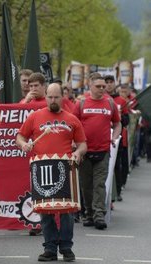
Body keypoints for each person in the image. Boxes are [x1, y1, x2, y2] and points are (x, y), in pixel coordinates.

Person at [16, 83, 87, 262]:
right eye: (50, 97)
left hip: (65, 169)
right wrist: (24, 144)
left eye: (56, 97)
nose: (53, 100)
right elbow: (20, 136)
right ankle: (49, 248)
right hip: (42, 169)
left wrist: (78, 153)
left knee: (67, 212)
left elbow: (82, 143)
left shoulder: (71, 119)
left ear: (62, 97)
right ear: (45, 96)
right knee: (45, 211)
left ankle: (66, 247)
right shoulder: (35, 117)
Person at [72, 73, 121, 230]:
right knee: (86, 185)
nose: (102, 89)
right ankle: (89, 214)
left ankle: (99, 215)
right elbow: (72, 123)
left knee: (99, 184)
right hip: (84, 151)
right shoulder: (81, 103)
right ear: (90, 86)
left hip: (103, 151)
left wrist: (114, 136)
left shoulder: (110, 103)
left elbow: (117, 123)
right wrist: (74, 141)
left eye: (103, 86)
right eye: (98, 86)